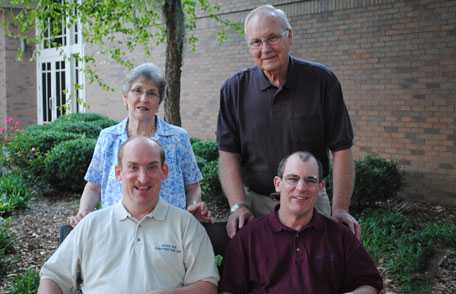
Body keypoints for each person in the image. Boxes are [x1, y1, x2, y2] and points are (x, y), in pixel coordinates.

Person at [216, 4, 359, 239]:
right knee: (259, 274)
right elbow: (228, 154)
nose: (265, 49)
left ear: (289, 36)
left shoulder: (322, 82)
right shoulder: (234, 90)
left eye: (272, 38)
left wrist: (340, 208)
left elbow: (342, 148)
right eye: (256, 42)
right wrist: (238, 206)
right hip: (258, 206)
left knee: (315, 274)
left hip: (311, 203)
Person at [38, 136, 219, 294]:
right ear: (119, 173)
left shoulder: (185, 225)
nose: (143, 178)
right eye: (133, 167)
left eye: (152, 167)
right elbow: (53, 277)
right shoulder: (92, 224)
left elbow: (207, 285)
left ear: (164, 172)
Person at [219, 152, 382, 294]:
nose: (301, 188)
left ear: (320, 187)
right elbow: (229, 289)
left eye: (310, 180)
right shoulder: (248, 237)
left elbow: (369, 283)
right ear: (278, 184)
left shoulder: (340, 236)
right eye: (292, 179)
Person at [70, 63, 210, 226]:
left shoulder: (177, 138)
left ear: (159, 103)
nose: (144, 98)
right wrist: (84, 213)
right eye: (137, 90)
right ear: (125, 98)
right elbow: (94, 186)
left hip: (168, 229)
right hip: (116, 229)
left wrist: (193, 205)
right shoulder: (108, 137)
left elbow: (192, 186)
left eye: (152, 93)